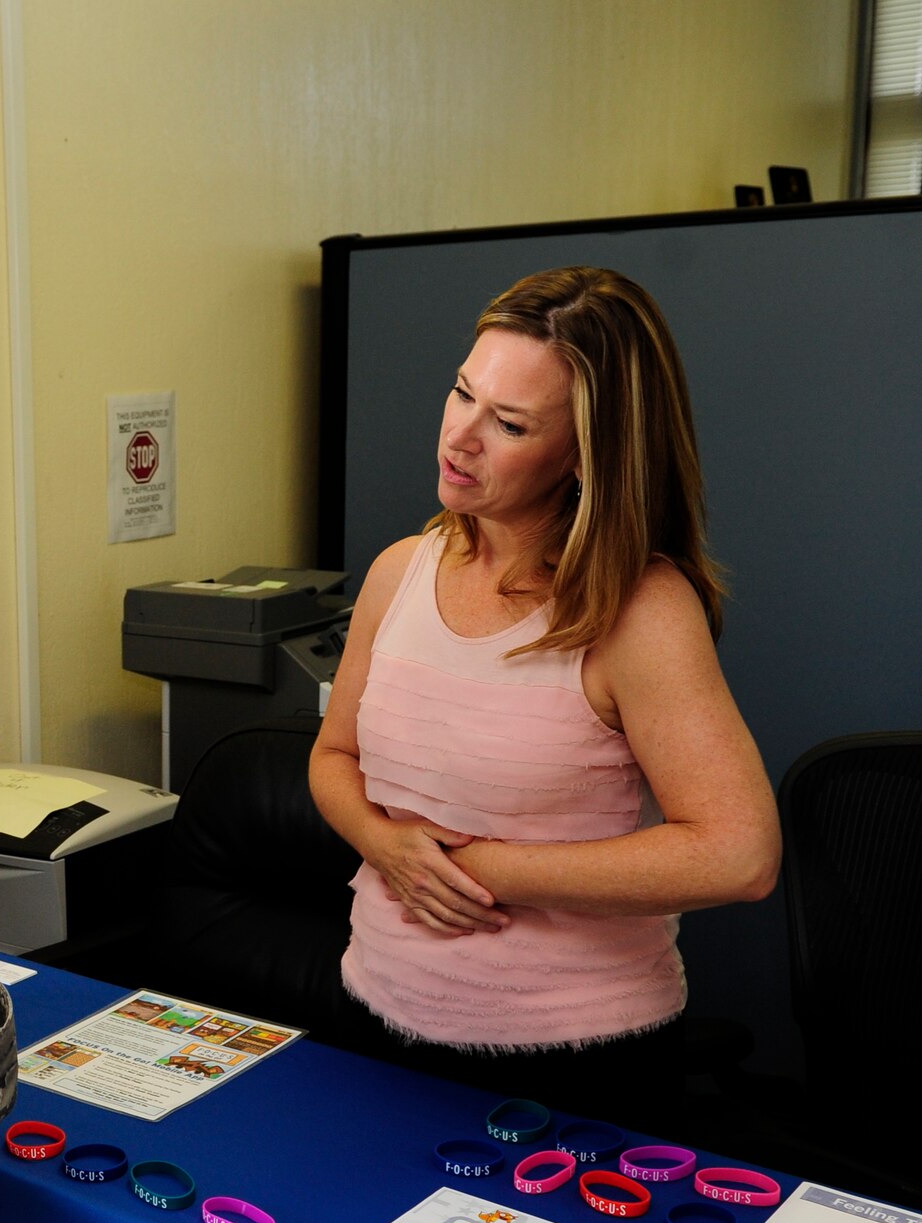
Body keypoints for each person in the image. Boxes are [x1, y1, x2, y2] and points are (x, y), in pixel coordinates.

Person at [309, 266, 780, 1132]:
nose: (460, 437)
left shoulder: (638, 609)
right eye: (461, 393)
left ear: (585, 454)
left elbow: (737, 854)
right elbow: (333, 757)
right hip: (373, 1015)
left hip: (571, 1066)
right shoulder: (398, 571)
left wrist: (479, 870)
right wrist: (386, 843)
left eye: (511, 423)